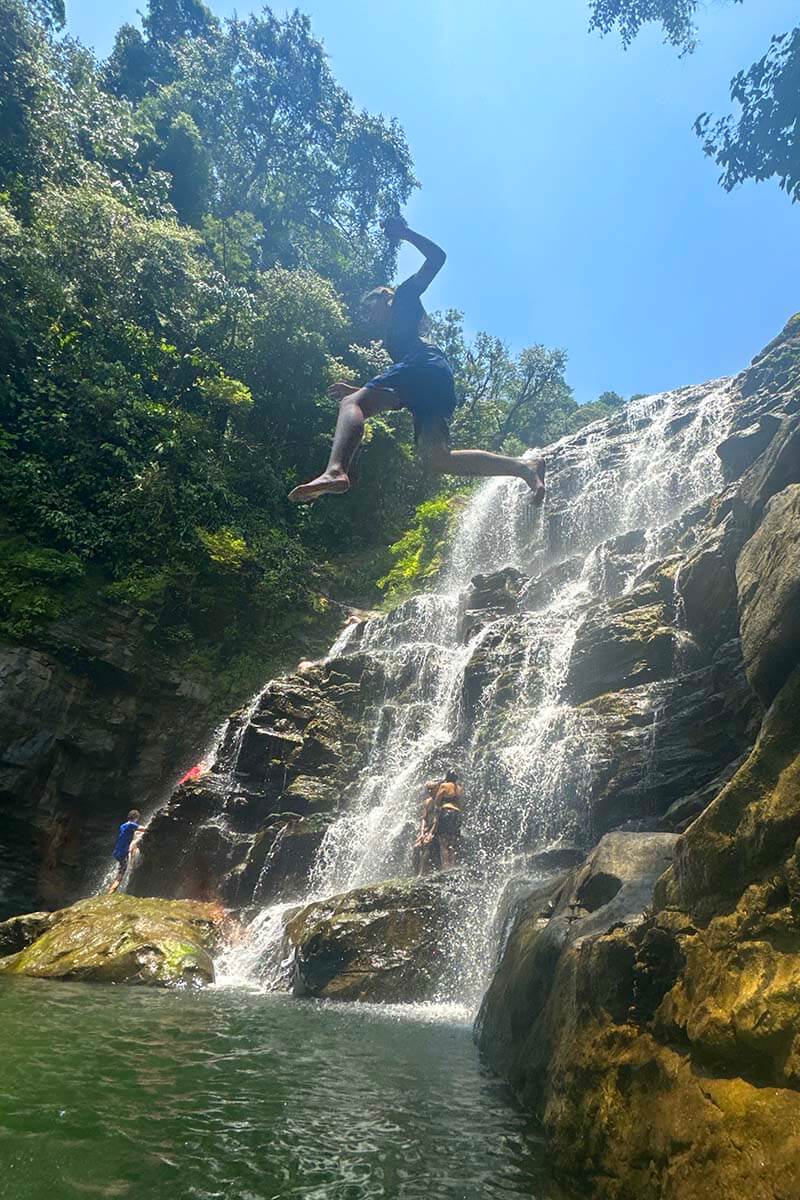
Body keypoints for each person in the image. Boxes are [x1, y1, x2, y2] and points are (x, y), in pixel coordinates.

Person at [288, 215, 546, 505]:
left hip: (425, 366)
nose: (367, 315)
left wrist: (405, 234)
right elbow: (401, 379)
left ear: (384, 295)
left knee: (351, 405)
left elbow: (437, 257)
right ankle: (524, 467)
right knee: (437, 459)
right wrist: (361, 391)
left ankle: (335, 471)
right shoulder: (395, 337)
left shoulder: (403, 296)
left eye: (368, 306)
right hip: (429, 384)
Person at [108, 809, 147, 894]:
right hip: (122, 853)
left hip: (117, 851)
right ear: (136, 818)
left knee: (134, 846)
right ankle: (111, 892)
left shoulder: (123, 825)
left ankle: (131, 862)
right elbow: (144, 829)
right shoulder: (131, 825)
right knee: (121, 874)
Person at [435, 770, 464, 870]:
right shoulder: (459, 788)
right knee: (452, 841)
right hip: (457, 813)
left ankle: (445, 867)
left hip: (446, 811)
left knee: (444, 841)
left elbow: (437, 801)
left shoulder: (444, 786)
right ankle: (452, 865)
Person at [412, 781, 440, 876]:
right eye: (428, 789)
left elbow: (436, 820)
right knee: (416, 847)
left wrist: (430, 833)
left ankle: (422, 872)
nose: (429, 791)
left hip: (435, 829)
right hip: (426, 829)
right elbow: (424, 818)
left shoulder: (439, 802)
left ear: (436, 789)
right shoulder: (427, 802)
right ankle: (416, 872)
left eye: (432, 789)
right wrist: (422, 832)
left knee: (427, 844)